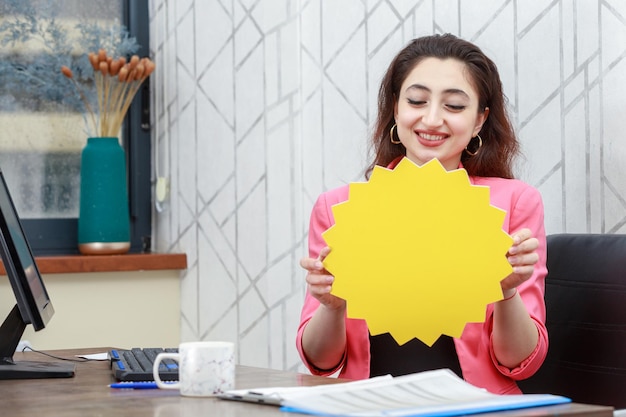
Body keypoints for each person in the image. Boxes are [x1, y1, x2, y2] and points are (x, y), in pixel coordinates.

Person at [296, 33, 548, 395]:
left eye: (455, 106)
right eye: (416, 100)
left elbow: (522, 362)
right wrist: (332, 306)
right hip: (368, 406)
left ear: (480, 120)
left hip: (479, 408)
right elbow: (320, 363)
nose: (432, 119)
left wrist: (506, 290)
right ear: (396, 109)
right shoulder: (339, 209)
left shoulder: (514, 204)